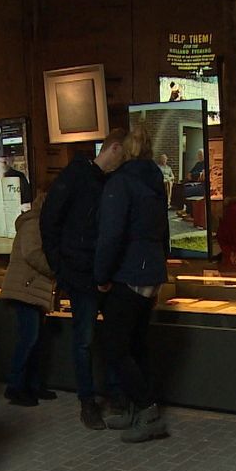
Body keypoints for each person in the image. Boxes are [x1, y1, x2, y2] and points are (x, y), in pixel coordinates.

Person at [40, 129, 127, 429]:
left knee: (109, 338)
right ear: (113, 148)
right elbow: (49, 222)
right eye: (124, 154)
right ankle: (88, 401)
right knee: (85, 340)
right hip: (81, 274)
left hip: (104, 272)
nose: (125, 161)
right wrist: (61, 269)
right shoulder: (76, 177)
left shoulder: (109, 181)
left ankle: (115, 394)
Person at [95, 127, 170, 443]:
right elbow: (163, 231)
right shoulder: (153, 183)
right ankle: (138, 410)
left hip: (126, 274)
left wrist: (101, 276)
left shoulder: (120, 184)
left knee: (115, 347)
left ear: (120, 151)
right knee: (137, 344)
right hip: (150, 272)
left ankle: (146, 408)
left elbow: (110, 236)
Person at [1, 192, 58, 406]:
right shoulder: (33, 223)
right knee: (29, 340)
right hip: (27, 289)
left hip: (31, 290)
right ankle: (15, 387)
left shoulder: (36, 223)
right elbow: (33, 253)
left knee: (34, 340)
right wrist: (55, 270)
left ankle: (32, 385)